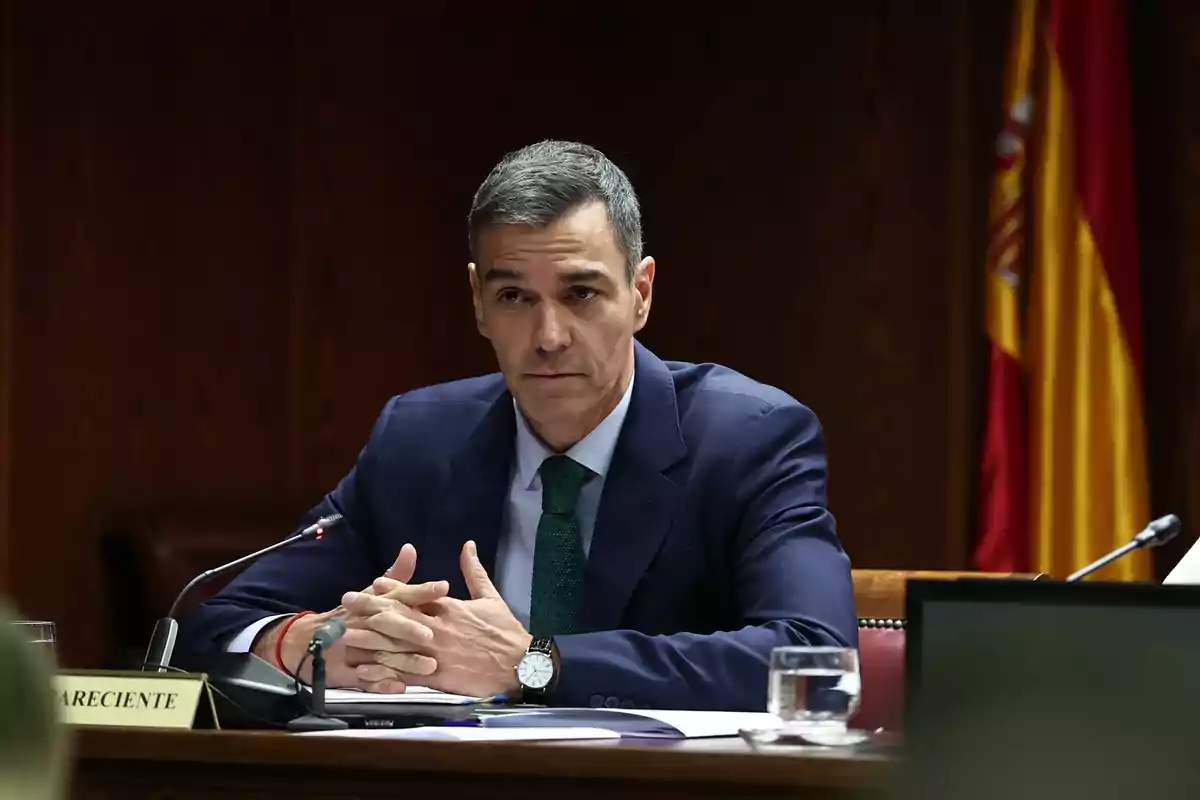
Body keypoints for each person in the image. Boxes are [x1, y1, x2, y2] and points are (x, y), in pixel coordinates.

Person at [179, 140, 857, 711]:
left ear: (641, 294)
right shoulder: (419, 440)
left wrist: (536, 664)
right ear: (478, 304)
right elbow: (215, 624)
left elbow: (818, 663)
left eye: (581, 293)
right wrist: (312, 642)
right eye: (514, 298)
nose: (549, 335)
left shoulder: (748, 438)